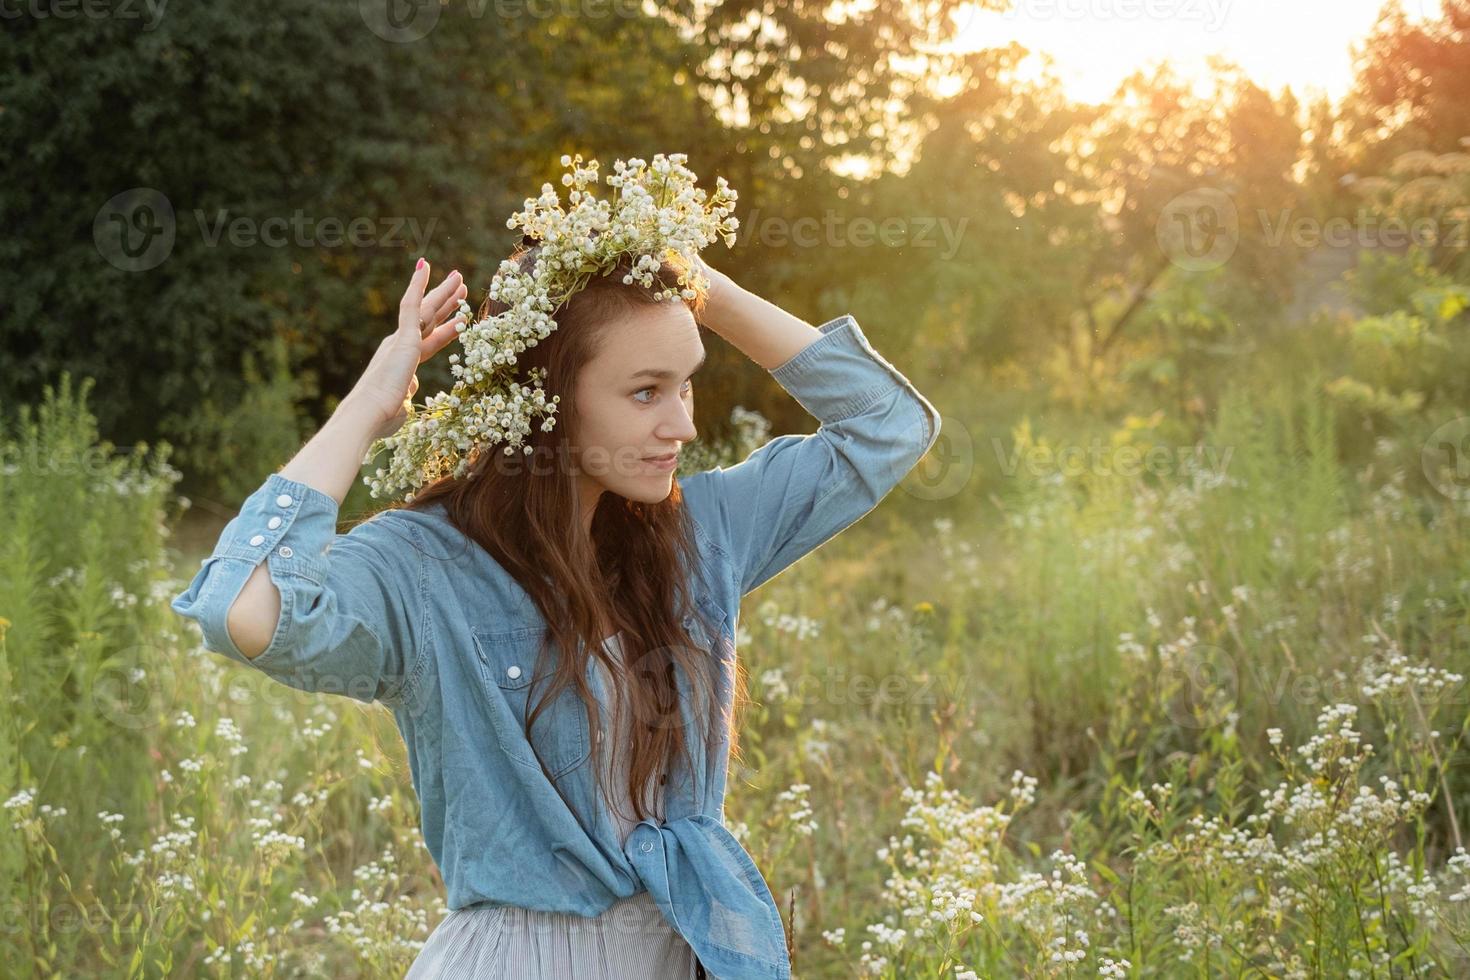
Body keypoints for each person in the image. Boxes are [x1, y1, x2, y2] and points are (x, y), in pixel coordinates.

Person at [171, 243, 941, 979]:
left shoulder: (703, 532)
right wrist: (370, 405)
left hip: (683, 951)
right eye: (645, 391)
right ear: (548, 402)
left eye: (686, 384)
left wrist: (702, 286)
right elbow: (245, 611)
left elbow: (888, 427)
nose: (683, 426)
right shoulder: (428, 564)